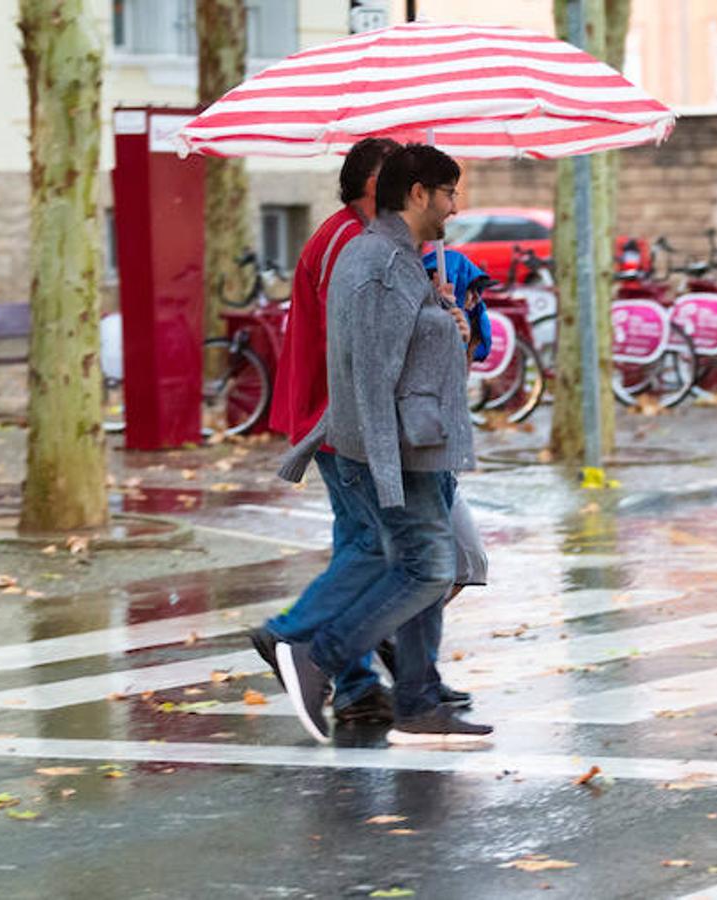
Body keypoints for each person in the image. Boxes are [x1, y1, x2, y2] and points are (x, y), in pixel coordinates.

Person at [274, 144, 491, 746]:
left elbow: (407, 347)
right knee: (423, 566)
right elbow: (370, 374)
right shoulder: (374, 262)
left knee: (422, 565)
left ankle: (417, 699)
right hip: (393, 447)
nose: (455, 206)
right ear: (417, 193)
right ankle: (316, 651)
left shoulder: (400, 259)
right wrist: (387, 472)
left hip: (416, 442)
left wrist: (447, 321)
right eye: (449, 192)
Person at [252, 137, 402, 725]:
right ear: (370, 184)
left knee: (359, 542)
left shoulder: (356, 236)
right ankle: (291, 632)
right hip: (338, 416)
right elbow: (360, 333)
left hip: (338, 414)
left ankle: (358, 683)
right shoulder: (347, 240)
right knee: (376, 545)